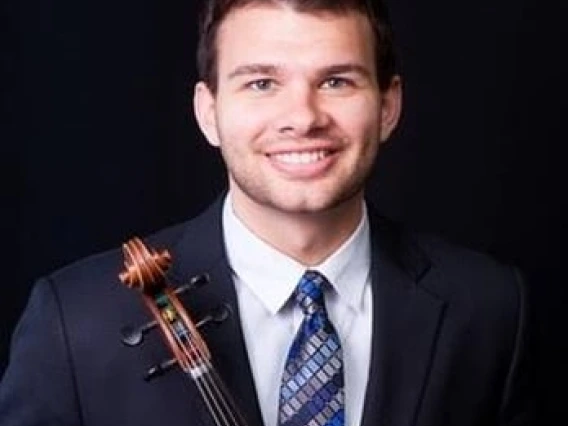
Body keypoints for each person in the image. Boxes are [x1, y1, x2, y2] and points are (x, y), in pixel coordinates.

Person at [0, 0, 533, 425]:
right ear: (208, 113)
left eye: (336, 81)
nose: (302, 117)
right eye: (261, 83)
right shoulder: (74, 323)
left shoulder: (489, 310)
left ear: (388, 106)